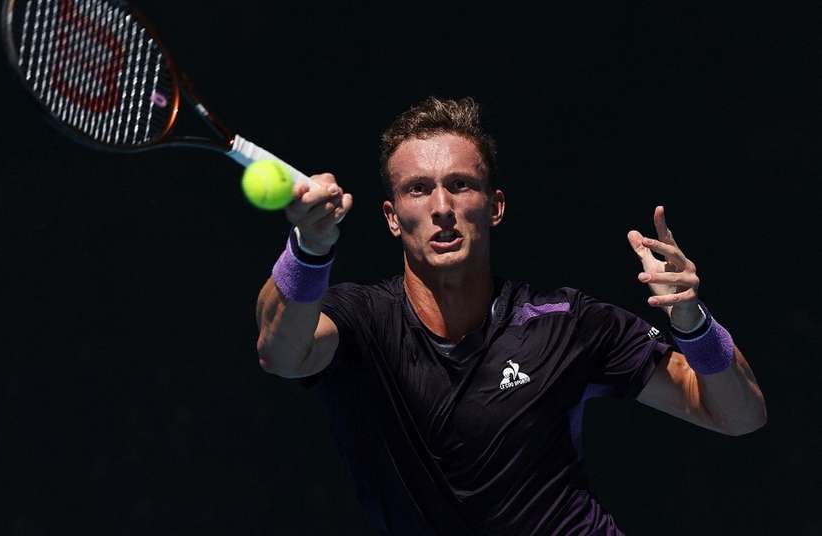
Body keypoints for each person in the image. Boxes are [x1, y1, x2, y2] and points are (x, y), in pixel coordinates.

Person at [254, 96, 767, 535]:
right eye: (418, 189)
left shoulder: (566, 321)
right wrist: (309, 247)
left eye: (460, 184)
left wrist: (694, 325)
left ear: (494, 206)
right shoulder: (361, 322)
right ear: (392, 218)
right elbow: (281, 351)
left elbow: (739, 416)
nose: (441, 206)